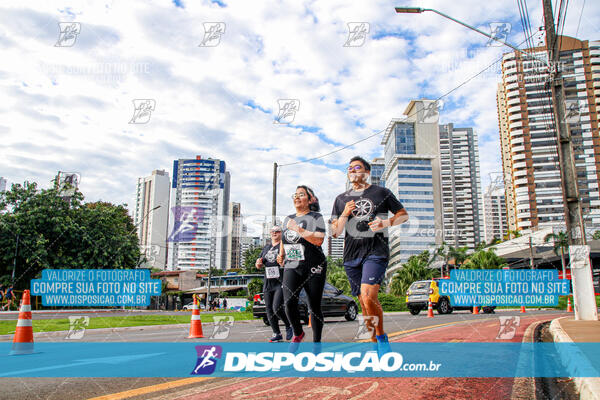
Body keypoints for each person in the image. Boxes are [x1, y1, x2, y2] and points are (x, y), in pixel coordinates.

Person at [330, 156, 409, 354]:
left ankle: (381, 338)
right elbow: (335, 232)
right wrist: (344, 214)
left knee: (368, 296)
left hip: (376, 250)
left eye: (357, 167)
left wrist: (385, 223)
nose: (352, 171)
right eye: (349, 168)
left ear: (366, 172)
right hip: (351, 256)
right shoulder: (341, 199)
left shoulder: (381, 192)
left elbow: (403, 214)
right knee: (364, 305)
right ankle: (375, 343)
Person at [277, 186, 327, 347]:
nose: (297, 197)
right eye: (295, 195)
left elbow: (319, 240)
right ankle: (298, 332)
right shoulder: (288, 218)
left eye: (301, 194)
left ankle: (316, 344)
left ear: (310, 199)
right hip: (292, 264)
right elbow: (285, 239)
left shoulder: (316, 216)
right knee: (288, 302)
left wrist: (298, 229)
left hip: (314, 265)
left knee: (314, 306)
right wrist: (281, 253)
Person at [256, 225, 293, 342]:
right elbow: (259, 264)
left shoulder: (284, 246)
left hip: (280, 281)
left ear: (281, 233)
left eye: (277, 231)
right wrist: (258, 263)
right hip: (268, 282)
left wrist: (283, 261)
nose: (274, 233)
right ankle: (276, 333)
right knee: (269, 310)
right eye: (272, 231)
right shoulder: (266, 248)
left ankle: (288, 325)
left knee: (276, 307)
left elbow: (292, 261)